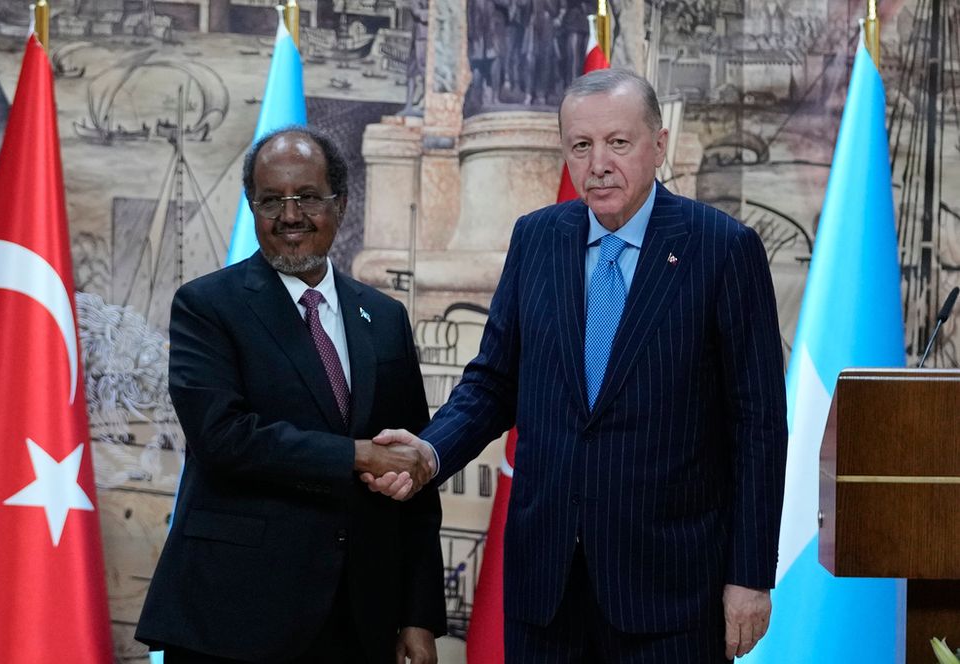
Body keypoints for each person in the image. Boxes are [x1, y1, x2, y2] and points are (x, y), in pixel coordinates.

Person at [365, 69, 788, 663]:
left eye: (619, 142)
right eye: (581, 146)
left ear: (658, 145)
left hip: (670, 594)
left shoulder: (720, 248)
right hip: (548, 588)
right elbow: (493, 382)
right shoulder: (537, 238)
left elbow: (759, 427)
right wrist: (430, 453)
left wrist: (750, 576)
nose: (598, 164)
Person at [136, 126, 446, 663]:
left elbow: (412, 469)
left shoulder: (386, 319)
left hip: (359, 620)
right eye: (270, 200)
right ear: (252, 208)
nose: (290, 215)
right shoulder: (207, 307)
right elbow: (223, 438)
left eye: (306, 197)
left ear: (340, 204)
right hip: (235, 617)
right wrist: (356, 456)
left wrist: (418, 614)